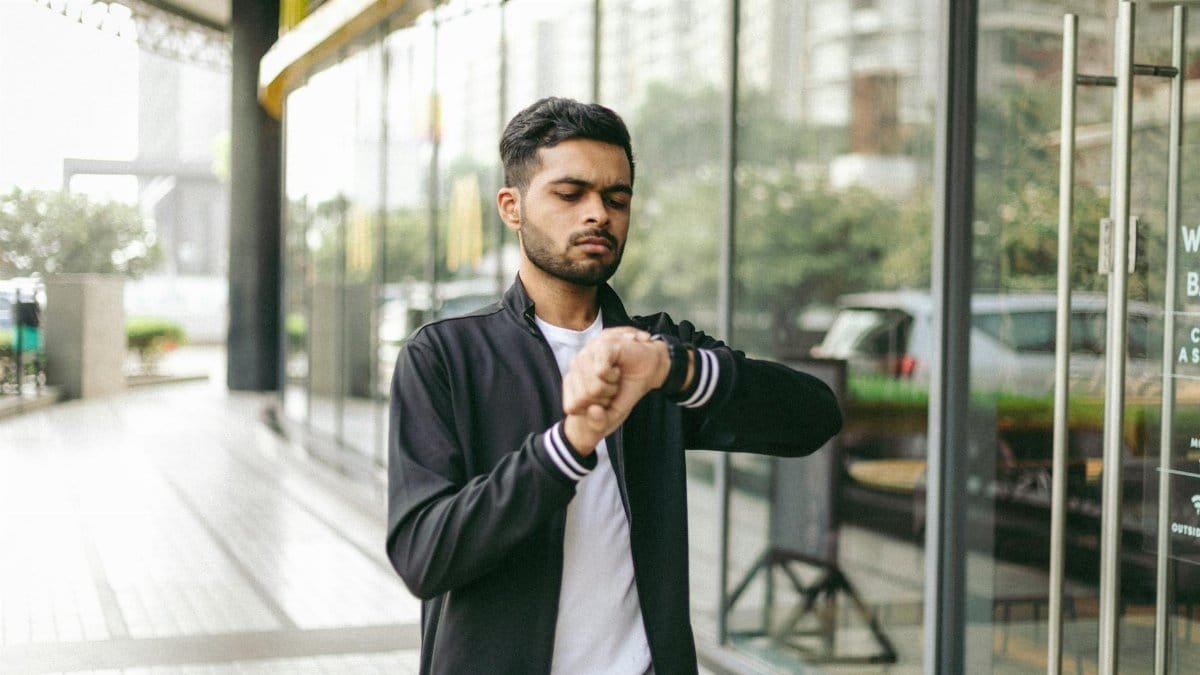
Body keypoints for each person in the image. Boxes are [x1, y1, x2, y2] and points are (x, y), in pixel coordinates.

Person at [386, 97, 842, 675]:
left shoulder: (654, 349)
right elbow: (424, 555)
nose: (597, 214)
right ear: (512, 206)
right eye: (570, 194)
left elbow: (813, 417)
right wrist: (567, 446)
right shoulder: (447, 356)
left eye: (616, 198)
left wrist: (678, 370)